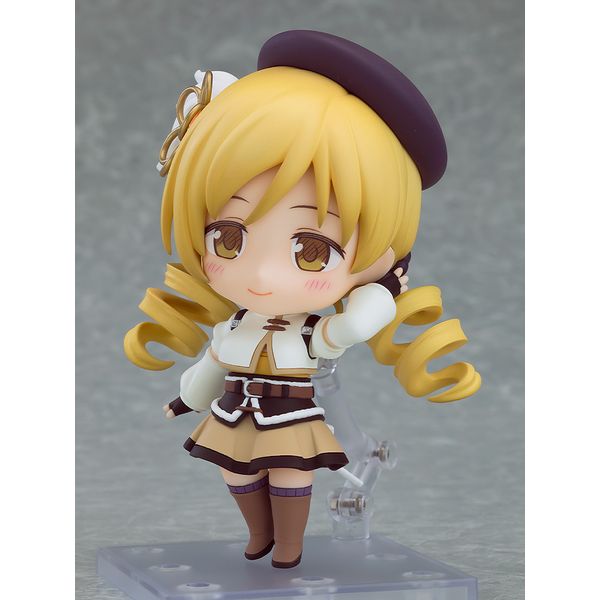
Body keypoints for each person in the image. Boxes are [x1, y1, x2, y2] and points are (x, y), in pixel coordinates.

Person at [125, 30, 481, 569]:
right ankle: (259, 534)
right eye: (228, 238)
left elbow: (352, 327)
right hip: (235, 410)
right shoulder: (234, 328)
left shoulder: (311, 333)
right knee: (233, 470)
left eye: (312, 251)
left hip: (291, 412)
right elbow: (211, 366)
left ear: (379, 254)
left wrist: (385, 289)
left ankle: (289, 545)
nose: (262, 275)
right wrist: (185, 401)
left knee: (291, 473)